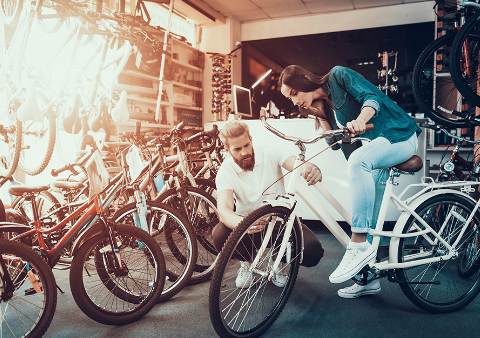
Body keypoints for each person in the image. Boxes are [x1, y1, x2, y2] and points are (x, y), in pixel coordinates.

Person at [279, 65, 421, 298]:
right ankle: (368, 279)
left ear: (305, 79)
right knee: (369, 215)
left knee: (358, 161)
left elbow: (371, 97)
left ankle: (358, 243)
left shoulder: (338, 75)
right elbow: (335, 144)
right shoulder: (323, 105)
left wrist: (360, 120)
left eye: (294, 93)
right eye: (289, 98)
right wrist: (321, 115)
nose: (294, 101)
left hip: (399, 135)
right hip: (378, 148)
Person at [213, 120, 324, 288]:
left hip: (281, 223)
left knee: (312, 251)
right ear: (227, 150)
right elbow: (224, 209)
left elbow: (297, 164)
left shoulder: (270, 150)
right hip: (250, 226)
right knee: (220, 234)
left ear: (250, 139)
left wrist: (310, 168)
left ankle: (277, 260)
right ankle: (249, 263)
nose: (244, 152)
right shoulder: (225, 171)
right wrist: (243, 223)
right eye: (237, 149)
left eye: (246, 145)